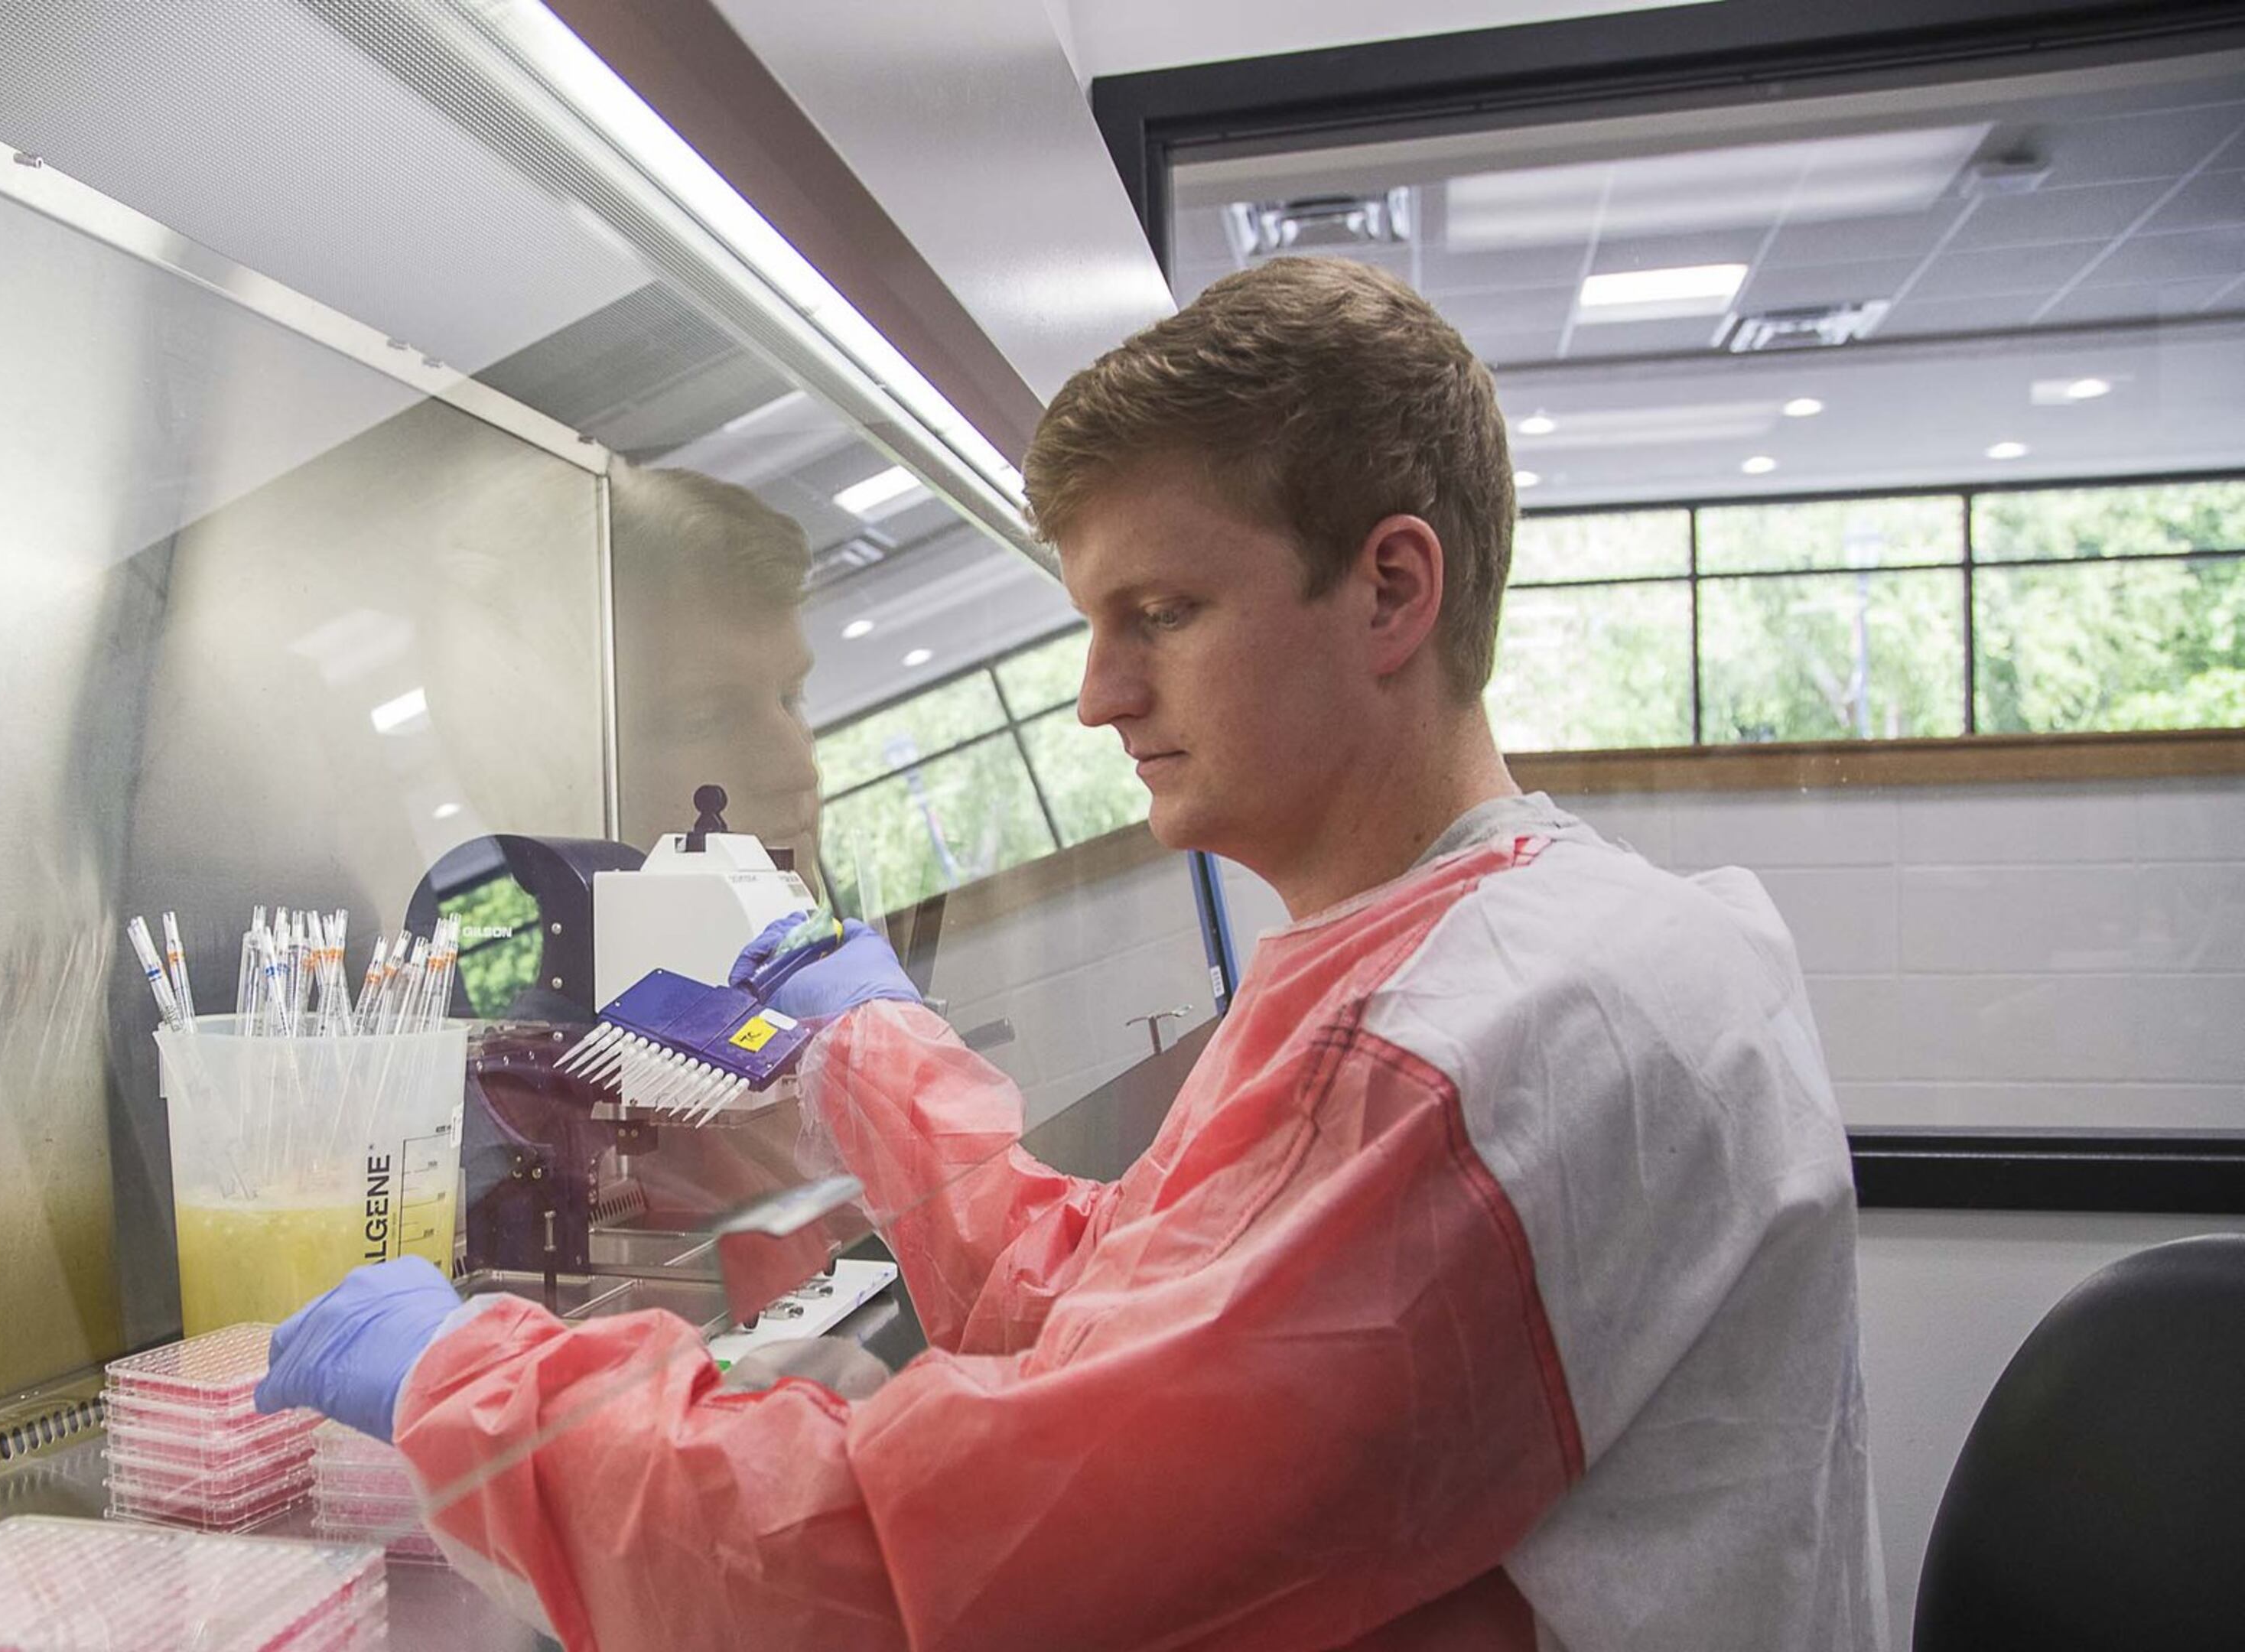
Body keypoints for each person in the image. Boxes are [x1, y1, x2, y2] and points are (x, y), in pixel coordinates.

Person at [258, 257, 1885, 1651]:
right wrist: (870, 1049)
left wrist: (473, 1393)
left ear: (1393, 588)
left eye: (1161, 613)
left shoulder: (1498, 1043)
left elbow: (917, 1567)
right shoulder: (1461, 955)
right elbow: (1127, 1322)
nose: (1098, 695)